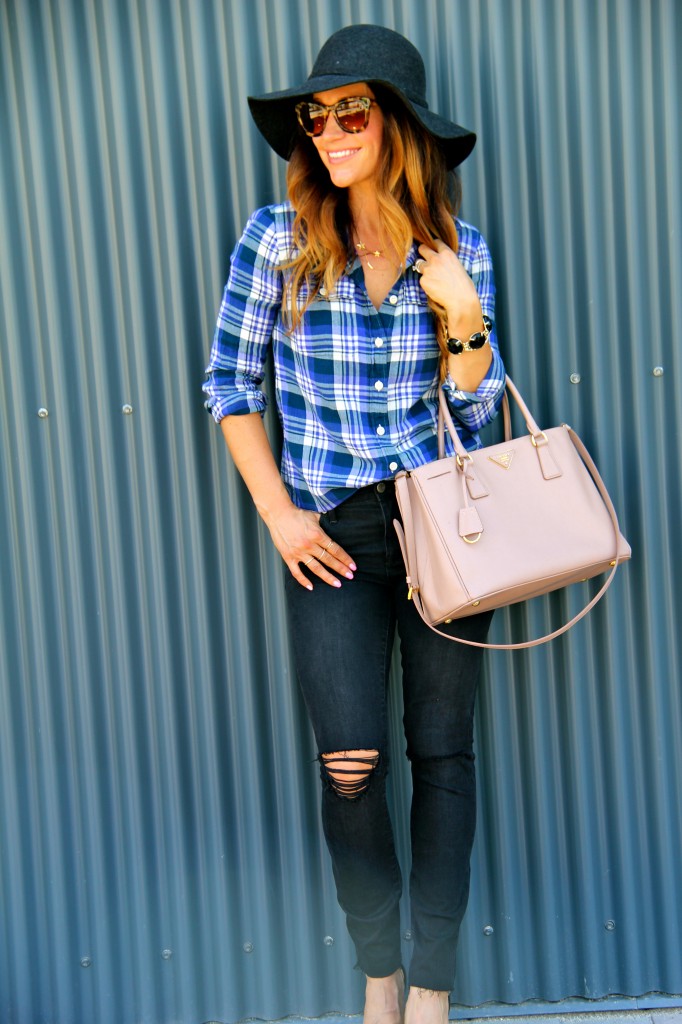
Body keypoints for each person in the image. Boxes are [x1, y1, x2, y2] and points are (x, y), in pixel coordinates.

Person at [203, 23, 505, 1024]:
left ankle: (429, 990)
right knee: (350, 766)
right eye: (315, 115)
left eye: (351, 112)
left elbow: (474, 414)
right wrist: (283, 517)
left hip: (442, 531)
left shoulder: (459, 251)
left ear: (399, 127)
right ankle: (378, 968)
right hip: (331, 533)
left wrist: (460, 312)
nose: (328, 130)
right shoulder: (273, 239)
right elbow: (230, 389)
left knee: (442, 756)